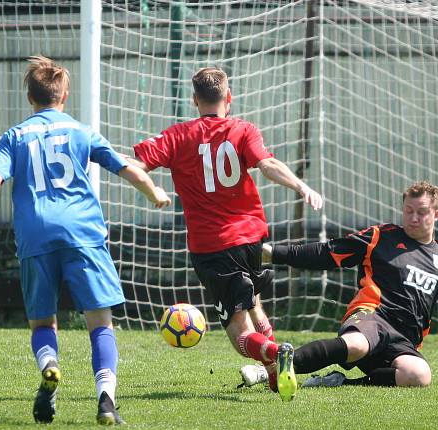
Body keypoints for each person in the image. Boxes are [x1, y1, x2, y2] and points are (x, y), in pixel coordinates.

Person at [0, 55, 172, 425]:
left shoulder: (14, 135)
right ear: (64, 97)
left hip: (35, 236)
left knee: (43, 323)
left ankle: (50, 367)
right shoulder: (81, 130)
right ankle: (106, 400)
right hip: (83, 234)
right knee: (100, 322)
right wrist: (154, 192)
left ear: (30, 98)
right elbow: (127, 167)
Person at [128, 67, 323, 402]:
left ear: (194, 100)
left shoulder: (178, 135)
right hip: (253, 240)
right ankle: (276, 374)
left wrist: (114, 167)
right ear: (228, 98)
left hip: (214, 246)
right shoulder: (244, 129)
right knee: (255, 303)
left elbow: (136, 164)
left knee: (238, 332)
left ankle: (275, 353)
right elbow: (267, 164)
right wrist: (301, 185)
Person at [240, 181, 438, 390]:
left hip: (403, 338)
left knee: (418, 375)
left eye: (421, 212)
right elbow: (327, 253)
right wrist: (271, 253)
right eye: (408, 211)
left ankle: (340, 382)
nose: (413, 218)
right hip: (371, 316)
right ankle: (271, 370)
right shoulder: (380, 237)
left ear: (437, 214)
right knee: (357, 344)